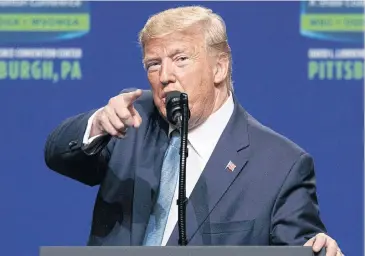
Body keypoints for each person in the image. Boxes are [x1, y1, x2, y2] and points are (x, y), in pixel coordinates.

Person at [44, 5, 344, 256]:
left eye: (180, 59)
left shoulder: (281, 165)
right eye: (153, 64)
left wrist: (319, 249)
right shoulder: (132, 121)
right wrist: (97, 124)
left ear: (219, 67)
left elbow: (305, 246)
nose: (164, 76)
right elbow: (58, 156)